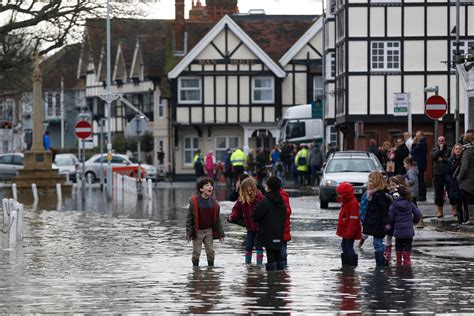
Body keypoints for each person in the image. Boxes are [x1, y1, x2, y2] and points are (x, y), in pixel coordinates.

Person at [186, 178, 225, 267]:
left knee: (210, 252)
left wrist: (221, 233)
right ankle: (195, 272)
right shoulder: (194, 201)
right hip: (198, 231)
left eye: (211, 185)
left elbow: (217, 220)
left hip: (209, 231)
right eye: (207, 185)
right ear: (201, 189)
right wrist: (189, 233)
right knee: (196, 253)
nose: (210, 187)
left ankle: (210, 271)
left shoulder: (215, 203)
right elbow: (189, 219)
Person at [252, 176, 287, 271]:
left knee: (270, 258)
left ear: (269, 187)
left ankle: (271, 282)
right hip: (279, 234)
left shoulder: (266, 201)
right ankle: (280, 280)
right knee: (279, 256)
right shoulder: (282, 201)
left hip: (268, 235)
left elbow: (256, 216)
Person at [228, 177, 265, 265]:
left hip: (260, 227)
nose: (249, 192)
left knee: (258, 245)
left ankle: (259, 265)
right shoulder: (242, 199)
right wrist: (232, 216)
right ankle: (248, 265)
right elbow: (236, 209)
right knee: (248, 246)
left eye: (251, 190)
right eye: (246, 191)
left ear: (255, 189)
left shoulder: (261, 198)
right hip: (249, 227)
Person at [362, 171, 391, 267]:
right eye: (369, 181)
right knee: (377, 243)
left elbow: (384, 211)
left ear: (376, 182)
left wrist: (385, 224)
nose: (369, 183)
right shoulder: (372, 194)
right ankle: (383, 260)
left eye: (371, 181)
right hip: (375, 223)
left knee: (378, 243)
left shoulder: (379, 195)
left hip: (379, 224)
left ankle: (381, 264)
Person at [388, 185, 421, 266]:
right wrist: (414, 221)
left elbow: (390, 217)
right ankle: (407, 260)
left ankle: (399, 260)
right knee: (408, 245)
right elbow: (417, 213)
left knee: (398, 245)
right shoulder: (410, 203)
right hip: (408, 230)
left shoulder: (394, 205)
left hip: (398, 230)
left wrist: (392, 224)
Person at [336, 182, 362, 267]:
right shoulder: (347, 202)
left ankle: (351, 265)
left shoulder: (352, 203)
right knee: (344, 245)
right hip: (346, 230)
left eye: (340, 194)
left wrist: (349, 233)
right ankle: (346, 264)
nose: (338, 196)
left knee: (348, 246)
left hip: (349, 231)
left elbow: (353, 220)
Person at [431, 136, 451, 218]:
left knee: (451, 191)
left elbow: (450, 160)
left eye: (442, 141)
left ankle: (454, 208)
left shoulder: (449, 150)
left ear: (445, 141)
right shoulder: (434, 150)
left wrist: (442, 159)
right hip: (437, 173)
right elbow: (434, 157)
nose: (441, 142)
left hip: (447, 173)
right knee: (438, 193)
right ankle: (440, 211)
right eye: (439, 141)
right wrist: (440, 150)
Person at [458, 134, 474, 224]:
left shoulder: (467, 152)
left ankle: (471, 219)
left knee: (469, 199)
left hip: (468, 181)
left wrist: (459, 177)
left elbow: (464, 167)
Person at [448, 144, 464, 226]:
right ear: (454, 150)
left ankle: (465, 220)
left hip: (463, 184)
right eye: (456, 149)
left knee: (465, 203)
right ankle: (460, 221)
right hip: (454, 184)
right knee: (458, 204)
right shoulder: (450, 160)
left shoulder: (464, 160)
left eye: (459, 149)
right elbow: (447, 173)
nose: (458, 150)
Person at [410, 131, 428, 201]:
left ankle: (422, 195)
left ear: (422, 136)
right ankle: (421, 195)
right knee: (420, 179)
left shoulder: (422, 143)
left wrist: (414, 144)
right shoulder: (420, 143)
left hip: (420, 164)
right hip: (419, 163)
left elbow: (412, 151)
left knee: (421, 180)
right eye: (416, 136)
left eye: (418, 136)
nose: (416, 137)